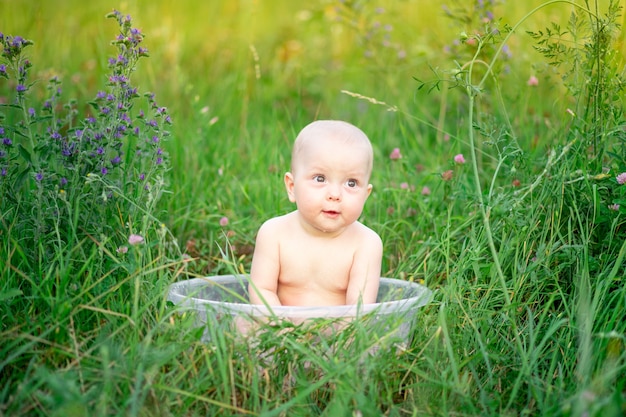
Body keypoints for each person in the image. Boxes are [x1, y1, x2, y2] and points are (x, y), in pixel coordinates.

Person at [248, 120, 382, 307]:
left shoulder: (366, 243)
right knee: (243, 324)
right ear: (292, 187)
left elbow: (359, 309)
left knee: (380, 334)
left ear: (365, 195)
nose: (335, 195)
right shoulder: (273, 234)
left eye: (351, 183)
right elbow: (261, 291)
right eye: (320, 179)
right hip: (280, 326)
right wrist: (281, 329)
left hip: (340, 331)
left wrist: (341, 335)